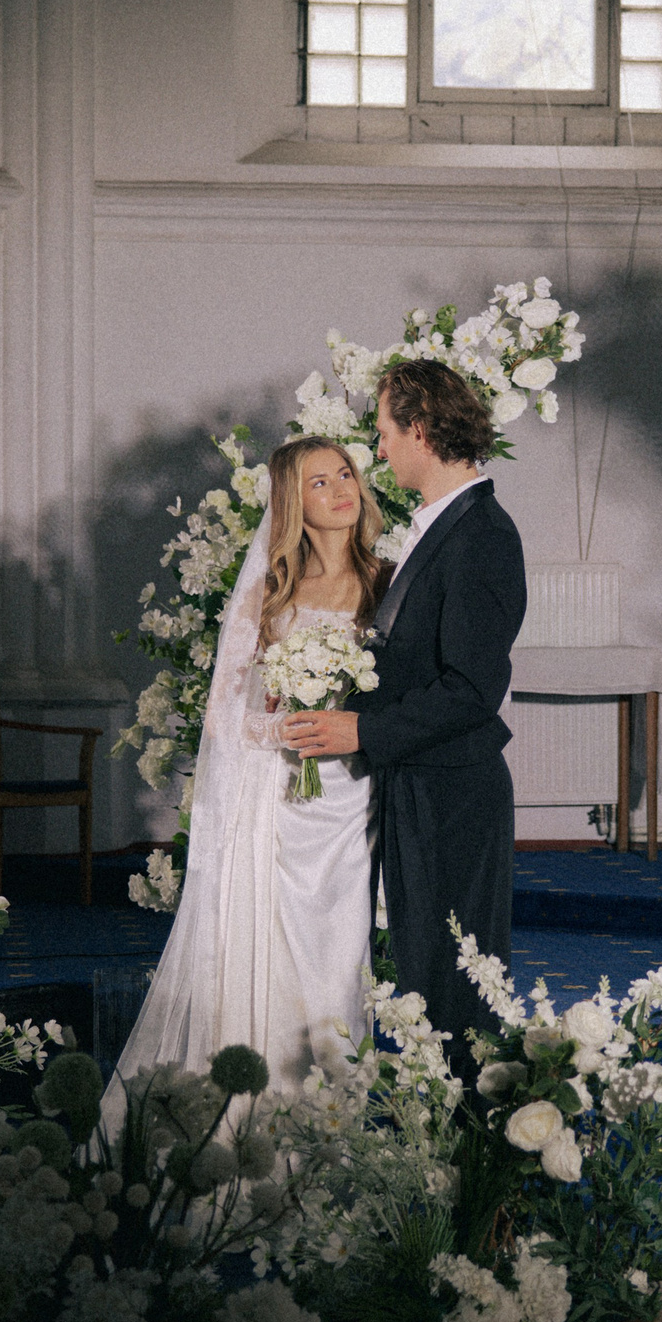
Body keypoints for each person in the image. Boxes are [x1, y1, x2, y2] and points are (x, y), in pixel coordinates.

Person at [109, 437, 391, 1104]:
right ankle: (264, 1107)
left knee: (339, 959)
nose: (340, 490)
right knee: (274, 958)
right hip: (282, 801)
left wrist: (347, 725)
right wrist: (290, 727)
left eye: (345, 474)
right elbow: (223, 713)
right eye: (319, 482)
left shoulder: (389, 581)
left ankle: (333, 1112)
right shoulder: (271, 591)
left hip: (353, 799)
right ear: (293, 502)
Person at [285, 357, 526, 1054]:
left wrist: (361, 730)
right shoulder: (440, 525)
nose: (380, 449)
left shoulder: (483, 534)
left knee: (457, 984)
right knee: (425, 973)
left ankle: (468, 1119)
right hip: (419, 783)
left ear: (419, 430)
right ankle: (440, 1111)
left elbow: (471, 690)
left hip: (453, 793)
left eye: (386, 432)